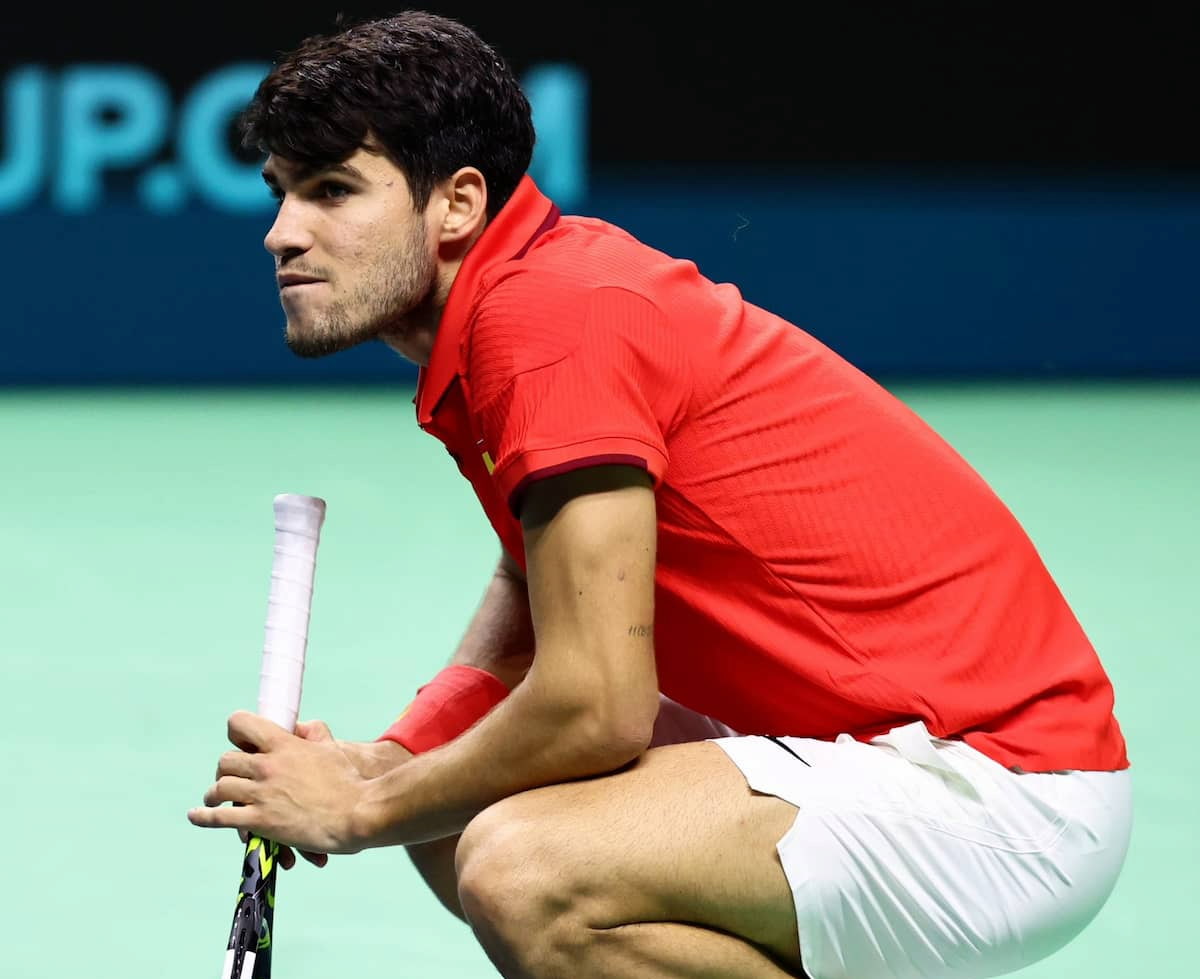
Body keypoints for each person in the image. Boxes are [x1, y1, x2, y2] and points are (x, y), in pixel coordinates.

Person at [187, 11, 1131, 979]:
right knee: (451, 800)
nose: (281, 234)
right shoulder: (531, 292)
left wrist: (356, 808)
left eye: (332, 191)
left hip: (997, 792)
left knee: (527, 867)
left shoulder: (551, 322)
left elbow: (596, 704)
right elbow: (537, 588)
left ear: (458, 203)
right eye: (281, 194)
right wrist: (397, 758)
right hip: (867, 747)